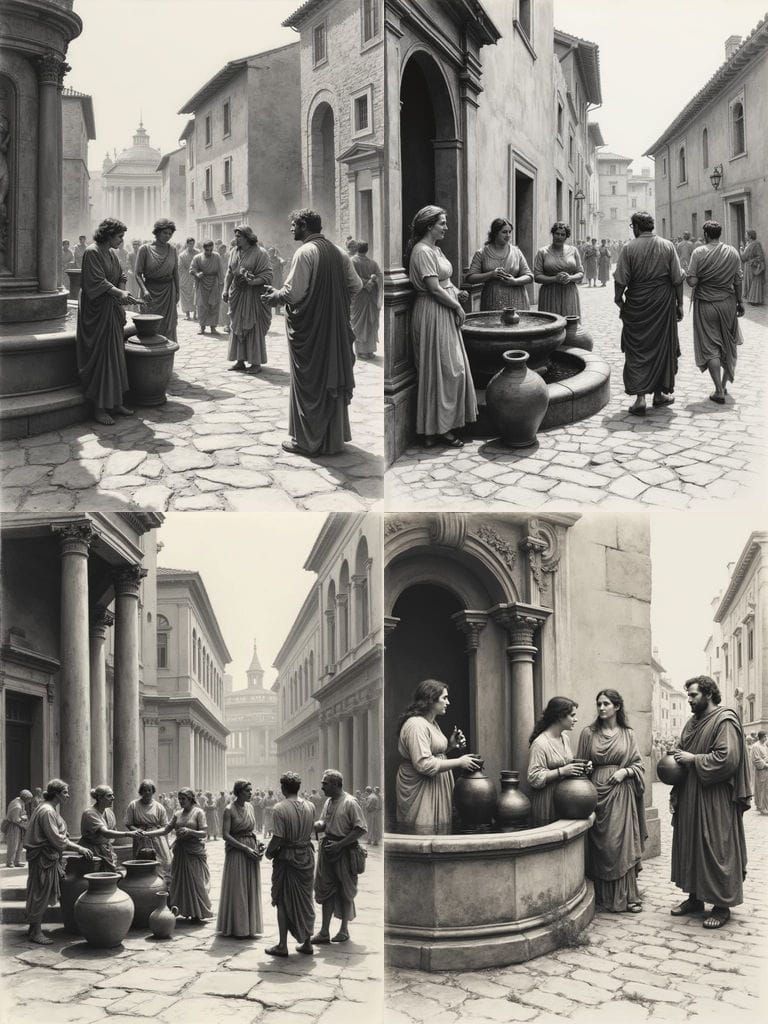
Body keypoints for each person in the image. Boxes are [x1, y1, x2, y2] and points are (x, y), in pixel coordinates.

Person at [262, 209, 362, 456]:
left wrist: (275, 296)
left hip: (311, 332)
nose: (291, 229)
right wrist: (334, 305)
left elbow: (293, 293)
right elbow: (357, 286)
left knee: (310, 383)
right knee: (331, 377)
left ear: (305, 226)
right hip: (335, 328)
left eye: (294, 225)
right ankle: (332, 441)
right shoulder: (339, 251)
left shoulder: (305, 252)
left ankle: (307, 442)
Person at [669, 676, 751, 929]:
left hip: (715, 797)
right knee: (691, 845)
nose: (689, 700)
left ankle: (721, 905)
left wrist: (693, 759)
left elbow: (727, 759)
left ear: (707, 694)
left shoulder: (724, 720)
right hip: (691, 793)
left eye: (693, 695)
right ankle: (694, 898)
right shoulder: (691, 722)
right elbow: (680, 753)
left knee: (716, 847)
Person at [405, 205, 477, 449]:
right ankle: (435, 430)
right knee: (444, 369)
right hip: (433, 312)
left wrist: (457, 293)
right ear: (429, 226)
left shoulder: (436, 250)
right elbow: (433, 288)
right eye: (442, 223)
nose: (446, 227)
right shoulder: (422, 251)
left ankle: (439, 428)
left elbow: (444, 283)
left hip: (443, 309)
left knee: (449, 369)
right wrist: (457, 306)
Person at [576, 691, 646, 913]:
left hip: (621, 792)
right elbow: (581, 764)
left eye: (606, 704)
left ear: (617, 707)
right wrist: (585, 768)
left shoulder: (628, 734)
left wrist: (625, 771)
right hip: (597, 791)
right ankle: (602, 895)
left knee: (621, 843)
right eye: (598, 704)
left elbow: (639, 764)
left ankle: (628, 896)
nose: (601, 707)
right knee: (602, 845)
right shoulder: (589, 733)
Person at [614, 211, 684, 416]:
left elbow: (620, 279)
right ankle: (659, 394)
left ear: (636, 227)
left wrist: (619, 299)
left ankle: (640, 399)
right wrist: (680, 304)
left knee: (637, 349)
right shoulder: (667, 245)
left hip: (637, 303)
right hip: (663, 303)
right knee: (662, 346)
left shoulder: (629, 248)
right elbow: (677, 279)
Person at [396, 679, 481, 834]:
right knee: (423, 831)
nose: (448, 702)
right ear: (430, 700)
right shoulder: (416, 725)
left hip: (435, 783)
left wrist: (451, 745)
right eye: (444, 698)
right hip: (420, 786)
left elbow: (432, 754)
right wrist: (460, 762)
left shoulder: (431, 723)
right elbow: (424, 764)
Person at [76, 218, 137, 426]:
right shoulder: (92, 252)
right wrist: (120, 293)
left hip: (111, 309)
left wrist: (122, 291)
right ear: (108, 234)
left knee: (115, 355)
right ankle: (99, 407)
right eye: (119, 236)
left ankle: (115, 401)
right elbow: (96, 282)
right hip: (96, 312)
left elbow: (120, 274)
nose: (121, 240)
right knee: (102, 356)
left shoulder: (111, 253)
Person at [23, 779, 94, 944]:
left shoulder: (48, 809)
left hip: (48, 858)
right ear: (55, 794)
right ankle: (35, 932)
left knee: (39, 892)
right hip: (44, 859)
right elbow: (56, 839)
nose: (68, 796)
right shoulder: (47, 811)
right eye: (65, 793)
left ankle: (33, 928)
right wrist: (80, 849)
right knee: (40, 893)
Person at [686, 220, 744, 404]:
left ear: (706, 235)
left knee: (711, 347)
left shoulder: (699, 252)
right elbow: (738, 280)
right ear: (719, 234)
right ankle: (724, 385)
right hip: (728, 303)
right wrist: (740, 302)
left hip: (706, 305)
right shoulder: (732, 251)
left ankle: (718, 390)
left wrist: (689, 275)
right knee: (728, 344)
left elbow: (693, 282)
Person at [312, 769, 367, 944]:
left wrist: (340, 845)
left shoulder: (350, 802)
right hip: (328, 850)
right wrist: (314, 825)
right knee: (326, 891)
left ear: (336, 784)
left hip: (344, 852)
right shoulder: (329, 801)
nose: (322, 787)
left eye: (325, 784)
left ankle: (344, 930)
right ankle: (324, 931)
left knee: (345, 891)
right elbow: (324, 823)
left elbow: (360, 829)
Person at [265, 771, 316, 957]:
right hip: (307, 857)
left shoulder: (279, 808)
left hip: (287, 858)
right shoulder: (310, 805)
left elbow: (278, 838)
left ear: (284, 788)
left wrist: (269, 852)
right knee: (305, 900)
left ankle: (282, 945)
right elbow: (310, 831)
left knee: (283, 902)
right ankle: (308, 942)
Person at [142, 788, 212, 922]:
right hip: (180, 851)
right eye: (179, 799)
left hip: (194, 851)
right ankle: (186, 909)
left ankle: (198, 911)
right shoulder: (177, 814)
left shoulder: (198, 812)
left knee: (197, 882)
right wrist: (146, 834)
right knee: (180, 881)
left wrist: (190, 831)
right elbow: (165, 830)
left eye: (183, 799)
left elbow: (204, 833)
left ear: (191, 799)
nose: (180, 801)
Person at [527, 696, 585, 827]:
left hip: (565, 799)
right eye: (572, 715)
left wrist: (581, 766)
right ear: (560, 717)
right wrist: (561, 771)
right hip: (547, 800)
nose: (575, 719)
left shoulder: (565, 738)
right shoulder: (540, 743)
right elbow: (533, 777)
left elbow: (566, 762)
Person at [223, 225, 272, 372]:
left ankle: (256, 362)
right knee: (237, 325)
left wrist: (252, 281)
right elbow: (229, 273)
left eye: (239, 236)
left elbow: (268, 275)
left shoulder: (260, 253)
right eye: (235, 236)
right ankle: (240, 360)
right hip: (237, 294)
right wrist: (225, 290)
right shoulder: (233, 252)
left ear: (247, 237)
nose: (235, 239)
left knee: (252, 326)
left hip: (253, 296)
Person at [217, 780, 263, 938]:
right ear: (238, 792)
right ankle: (238, 927)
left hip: (251, 849)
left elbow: (251, 830)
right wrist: (244, 848)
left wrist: (258, 845)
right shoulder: (229, 809)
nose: (251, 793)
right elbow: (225, 835)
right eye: (247, 791)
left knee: (250, 887)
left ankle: (249, 927)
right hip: (237, 850)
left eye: (251, 790)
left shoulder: (250, 807)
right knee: (239, 888)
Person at [466, 217, 533, 312]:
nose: (508, 235)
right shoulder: (482, 253)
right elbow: (470, 278)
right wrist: (491, 274)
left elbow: (529, 276)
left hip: (516, 299)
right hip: (492, 299)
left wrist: (515, 281)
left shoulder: (516, 252)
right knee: (493, 325)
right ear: (495, 233)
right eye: (504, 232)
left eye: (510, 232)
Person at [134, 218, 179, 342]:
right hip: (151, 293)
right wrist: (144, 291)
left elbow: (175, 273)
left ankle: (167, 353)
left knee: (168, 325)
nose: (168, 236)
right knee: (151, 325)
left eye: (170, 234)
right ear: (157, 232)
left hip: (168, 292)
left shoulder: (173, 249)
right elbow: (137, 273)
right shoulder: (145, 249)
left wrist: (177, 292)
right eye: (165, 233)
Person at [125, 779, 172, 882]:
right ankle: (143, 886)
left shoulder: (159, 807)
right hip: (140, 837)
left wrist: (166, 842)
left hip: (156, 838)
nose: (147, 793)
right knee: (141, 862)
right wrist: (137, 831)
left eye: (149, 790)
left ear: (153, 791)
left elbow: (165, 827)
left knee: (163, 862)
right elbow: (129, 823)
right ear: (140, 792)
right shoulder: (133, 805)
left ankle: (162, 885)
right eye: (144, 790)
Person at [79, 784, 136, 870]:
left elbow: (112, 832)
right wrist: (128, 834)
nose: (113, 798)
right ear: (100, 798)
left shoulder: (109, 813)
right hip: (92, 851)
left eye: (112, 795)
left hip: (106, 849)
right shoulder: (90, 813)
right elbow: (106, 833)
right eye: (109, 796)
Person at [534, 222, 584, 317]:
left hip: (569, 292)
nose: (559, 237)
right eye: (557, 234)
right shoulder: (543, 252)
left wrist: (570, 278)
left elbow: (580, 273)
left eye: (563, 234)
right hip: (549, 293)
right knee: (550, 325)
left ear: (566, 237)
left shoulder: (573, 251)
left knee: (570, 325)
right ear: (552, 234)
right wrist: (555, 279)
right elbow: (537, 276)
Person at [350, 241, 383, 358]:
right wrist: (371, 281)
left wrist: (365, 283)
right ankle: (368, 351)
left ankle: (362, 351)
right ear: (367, 249)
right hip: (369, 298)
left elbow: (351, 278)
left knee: (360, 323)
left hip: (359, 298)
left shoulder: (352, 261)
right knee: (370, 322)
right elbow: (380, 276)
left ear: (356, 249)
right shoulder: (373, 263)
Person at [190, 241, 224, 334]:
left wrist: (221, 283)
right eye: (207, 250)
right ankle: (202, 327)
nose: (209, 252)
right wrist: (197, 274)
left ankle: (213, 328)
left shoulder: (216, 256)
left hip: (214, 283)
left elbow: (220, 270)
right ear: (203, 248)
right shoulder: (197, 257)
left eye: (211, 250)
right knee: (202, 306)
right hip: (202, 283)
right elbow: (192, 269)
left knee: (214, 305)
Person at [4, 790, 32, 867]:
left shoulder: (21, 802)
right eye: (29, 799)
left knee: (20, 845)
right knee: (13, 845)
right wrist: (24, 820)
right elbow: (15, 819)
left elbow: (23, 815)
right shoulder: (17, 805)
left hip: (20, 827)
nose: (29, 801)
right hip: (14, 827)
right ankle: (10, 862)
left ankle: (17, 861)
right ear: (25, 798)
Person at [739, 229, 765, 305]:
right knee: (748, 282)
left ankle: (755, 300)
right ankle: (750, 299)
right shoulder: (748, 244)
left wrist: (741, 251)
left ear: (750, 236)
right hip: (748, 266)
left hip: (753, 267)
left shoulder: (756, 244)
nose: (745, 236)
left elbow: (760, 257)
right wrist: (742, 249)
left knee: (754, 282)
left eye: (746, 235)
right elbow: (744, 257)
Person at [178, 237, 199, 320]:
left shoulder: (197, 253)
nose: (191, 245)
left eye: (193, 244)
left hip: (195, 276)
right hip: (185, 277)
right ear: (186, 244)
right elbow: (180, 267)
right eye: (190, 244)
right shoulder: (182, 255)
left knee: (195, 294)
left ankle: (195, 314)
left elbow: (200, 263)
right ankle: (187, 314)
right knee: (185, 295)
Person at [752, 731, 768, 814]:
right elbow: (756, 759)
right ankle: (761, 807)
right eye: (765, 737)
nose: (766, 738)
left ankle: (765, 806)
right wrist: (765, 765)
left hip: (766, 771)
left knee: (766, 789)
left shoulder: (764, 745)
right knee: (761, 788)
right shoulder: (755, 746)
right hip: (761, 770)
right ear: (761, 737)